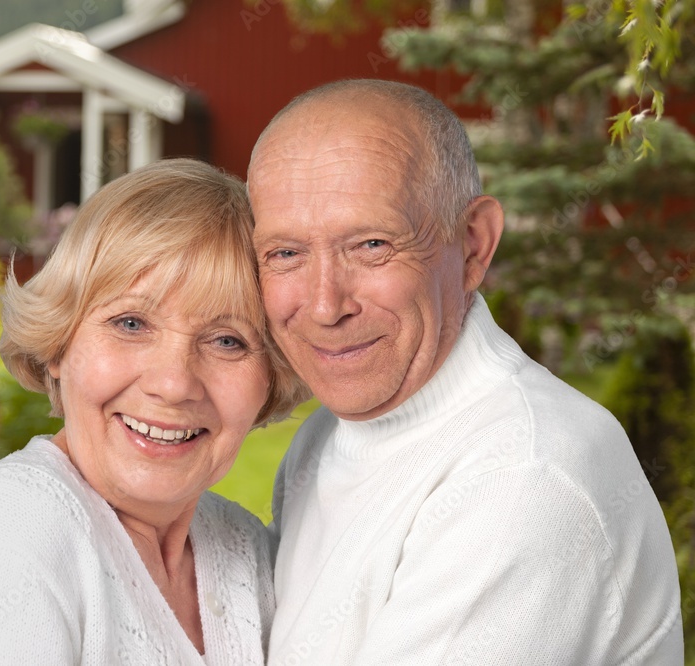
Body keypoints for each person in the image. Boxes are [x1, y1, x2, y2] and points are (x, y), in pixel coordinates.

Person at [247, 79, 684, 664]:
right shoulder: (328, 434)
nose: (326, 306)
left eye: (371, 245)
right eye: (285, 254)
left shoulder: (524, 478)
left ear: (474, 246)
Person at [0, 158, 307, 665]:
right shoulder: (16, 529)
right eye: (131, 323)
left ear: (269, 379)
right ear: (59, 345)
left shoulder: (243, 547)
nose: (173, 384)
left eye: (226, 340)